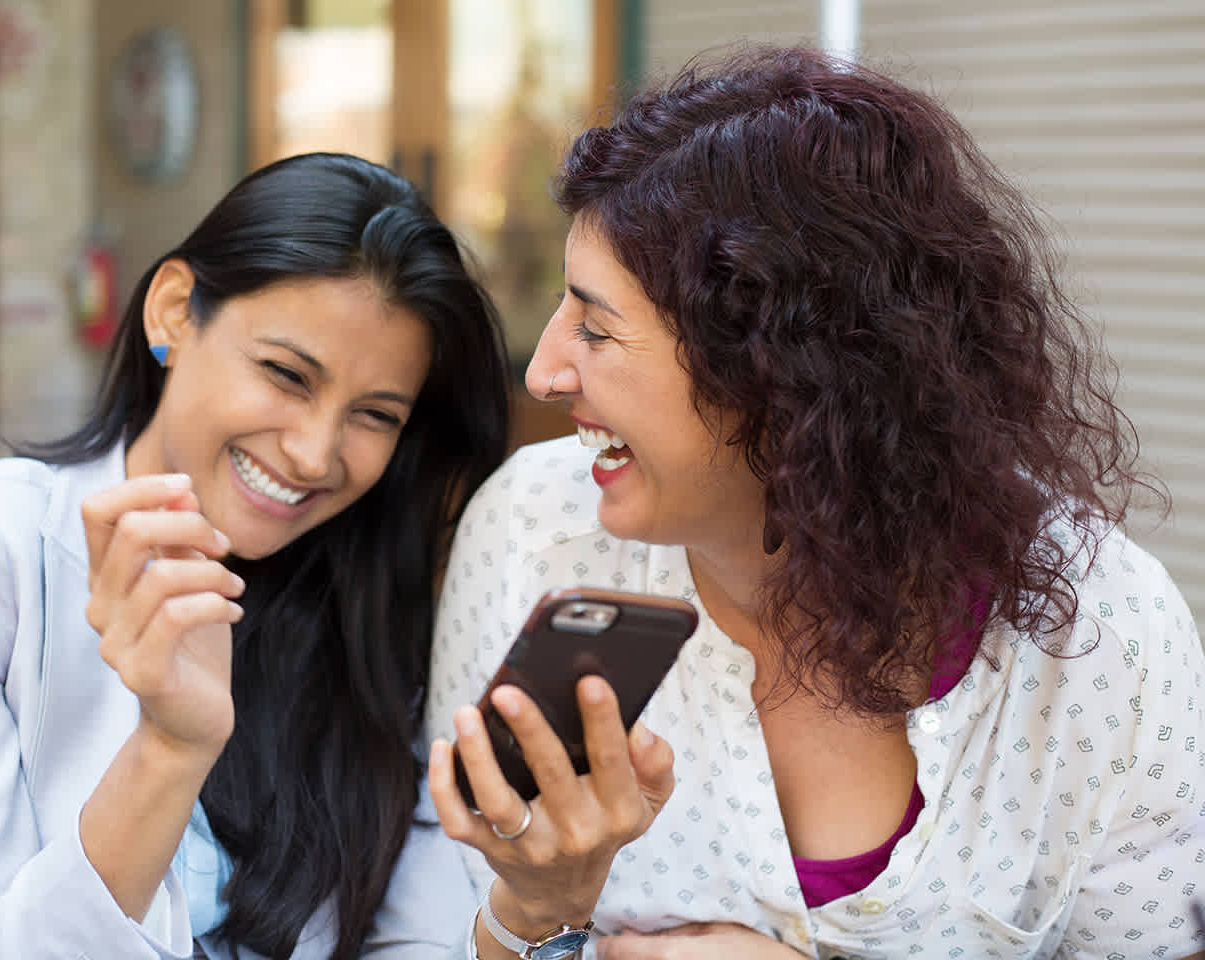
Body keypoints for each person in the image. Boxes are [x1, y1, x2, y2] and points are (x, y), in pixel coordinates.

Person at [425, 47, 1205, 960]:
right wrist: (540, 914)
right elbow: (434, 931)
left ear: (787, 378)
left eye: (597, 327)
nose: (544, 371)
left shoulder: (1099, 627)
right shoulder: (530, 534)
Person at [0, 152, 508, 960]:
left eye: (375, 415)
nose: (316, 453)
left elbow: (418, 940)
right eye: (287, 374)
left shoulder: (369, 612)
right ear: (174, 312)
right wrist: (168, 753)